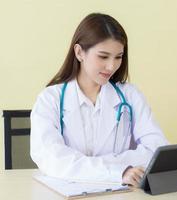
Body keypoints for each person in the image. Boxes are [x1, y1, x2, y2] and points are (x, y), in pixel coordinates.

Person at [30, 13, 168, 187]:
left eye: (118, 57)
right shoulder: (50, 99)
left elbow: (156, 150)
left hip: (122, 193)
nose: (111, 66)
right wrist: (119, 171)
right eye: (103, 56)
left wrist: (83, 165)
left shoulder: (131, 96)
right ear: (79, 52)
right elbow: (51, 158)